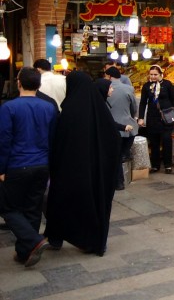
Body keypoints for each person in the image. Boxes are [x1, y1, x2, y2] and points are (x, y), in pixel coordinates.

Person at [45, 71, 121, 256]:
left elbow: (58, 143)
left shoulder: (68, 112)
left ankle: (56, 237)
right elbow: (114, 139)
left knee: (61, 202)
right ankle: (91, 241)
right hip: (97, 173)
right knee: (94, 205)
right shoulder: (101, 111)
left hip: (70, 171)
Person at [0, 67, 57, 267]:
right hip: (41, 164)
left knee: (7, 207)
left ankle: (34, 241)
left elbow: (4, 140)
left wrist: (1, 169)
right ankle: (25, 253)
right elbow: (52, 139)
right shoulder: (49, 107)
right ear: (39, 85)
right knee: (33, 209)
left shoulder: (9, 107)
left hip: (17, 164)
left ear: (19, 83)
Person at [137, 65, 174, 174]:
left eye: (155, 74)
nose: (153, 76)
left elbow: (173, 100)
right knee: (154, 142)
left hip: (166, 117)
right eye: (151, 74)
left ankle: (168, 165)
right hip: (152, 117)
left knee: (166, 140)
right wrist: (141, 117)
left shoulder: (167, 84)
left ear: (160, 74)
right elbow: (142, 103)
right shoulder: (146, 86)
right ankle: (155, 165)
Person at [103, 68, 138, 190]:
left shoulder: (104, 89)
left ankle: (118, 181)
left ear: (108, 76)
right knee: (122, 154)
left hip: (111, 128)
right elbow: (134, 107)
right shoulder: (128, 89)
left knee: (114, 156)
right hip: (129, 128)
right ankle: (123, 179)